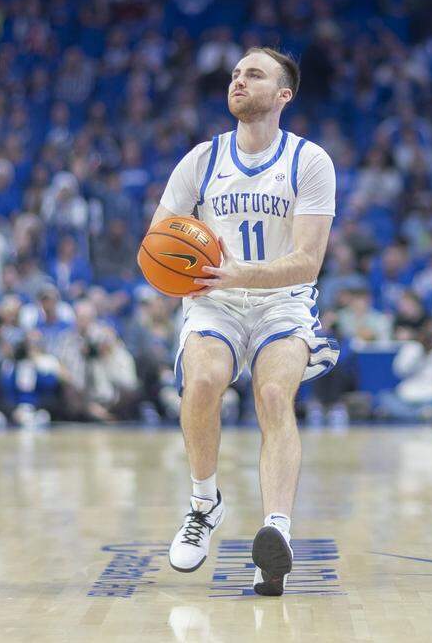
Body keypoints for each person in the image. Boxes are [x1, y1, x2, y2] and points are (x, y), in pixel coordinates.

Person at [149, 47, 338, 596]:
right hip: (215, 299)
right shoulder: (200, 161)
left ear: (284, 95)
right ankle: (204, 504)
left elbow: (307, 260)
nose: (238, 79)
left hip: (283, 298)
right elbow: (158, 235)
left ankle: (275, 531)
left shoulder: (310, 161)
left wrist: (240, 274)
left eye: (253, 74)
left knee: (275, 394)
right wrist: (172, 262)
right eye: (235, 73)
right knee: (203, 380)